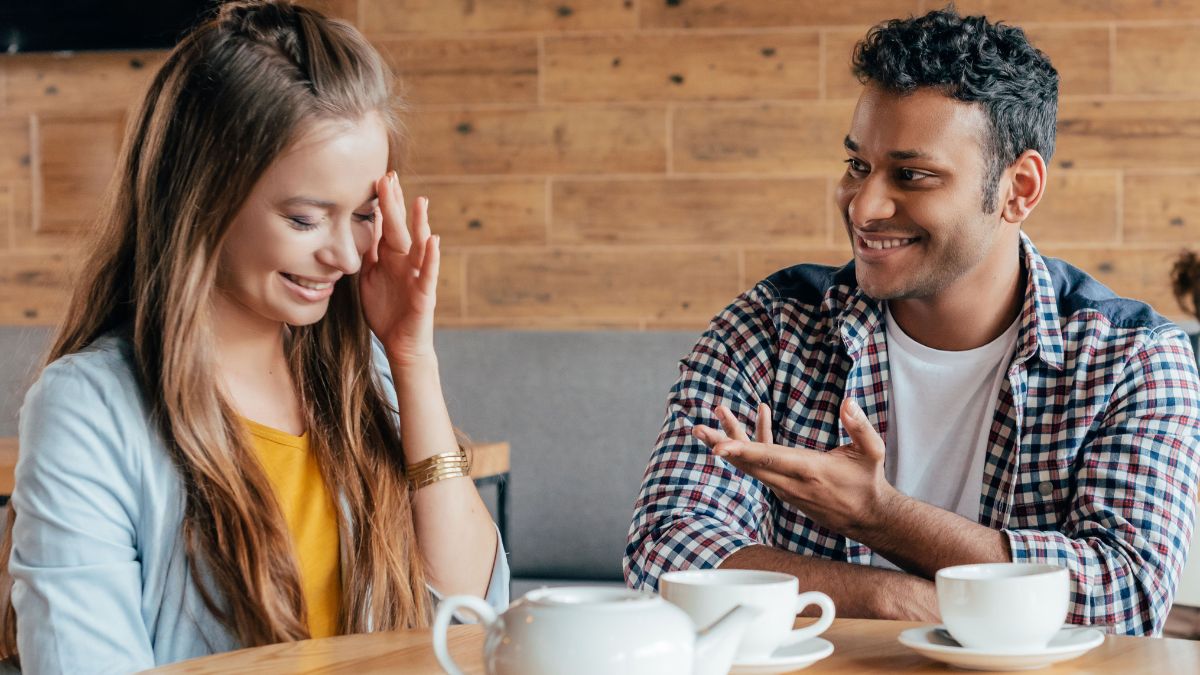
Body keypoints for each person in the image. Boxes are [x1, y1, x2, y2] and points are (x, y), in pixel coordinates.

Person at [625, 7, 1200, 636]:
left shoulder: (1132, 359)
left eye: (912, 175)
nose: (864, 206)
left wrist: (878, 516)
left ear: (1019, 189)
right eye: (857, 166)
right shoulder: (768, 330)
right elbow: (666, 550)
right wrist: (901, 601)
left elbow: (1126, 597)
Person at [0, 2, 507, 671]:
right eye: (305, 219)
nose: (348, 257)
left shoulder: (364, 370)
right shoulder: (88, 408)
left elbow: (471, 614)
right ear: (202, 195)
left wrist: (413, 358)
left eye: (361, 215)